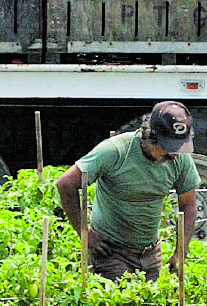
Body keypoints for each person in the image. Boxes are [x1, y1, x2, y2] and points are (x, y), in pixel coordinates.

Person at [55, 102, 199, 282]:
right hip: (111, 253)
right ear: (150, 136)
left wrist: (180, 252)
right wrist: (85, 233)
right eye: (169, 146)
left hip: (151, 255)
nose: (174, 153)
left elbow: (188, 205)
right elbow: (65, 183)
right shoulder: (115, 151)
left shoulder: (179, 158)